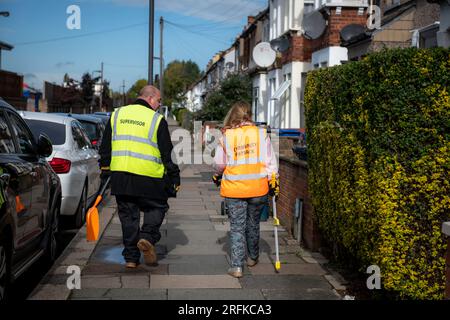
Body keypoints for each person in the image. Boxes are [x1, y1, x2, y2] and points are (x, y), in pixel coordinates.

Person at [99, 85, 180, 269]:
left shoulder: (116, 115)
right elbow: (167, 154)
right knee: (157, 207)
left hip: (121, 177)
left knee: (128, 217)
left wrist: (105, 171)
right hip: (149, 176)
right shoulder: (156, 119)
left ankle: (131, 258)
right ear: (150, 98)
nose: (159, 105)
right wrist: (175, 177)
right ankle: (147, 237)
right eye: (159, 101)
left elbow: (105, 148)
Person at [212, 101, 279, 278]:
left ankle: (236, 267)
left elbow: (219, 164)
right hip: (258, 189)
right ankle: (253, 257)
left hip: (235, 190)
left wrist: (217, 174)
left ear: (233, 115)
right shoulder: (262, 134)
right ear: (250, 115)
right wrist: (274, 182)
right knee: (253, 224)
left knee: (237, 227)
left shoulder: (227, 136)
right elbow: (271, 163)